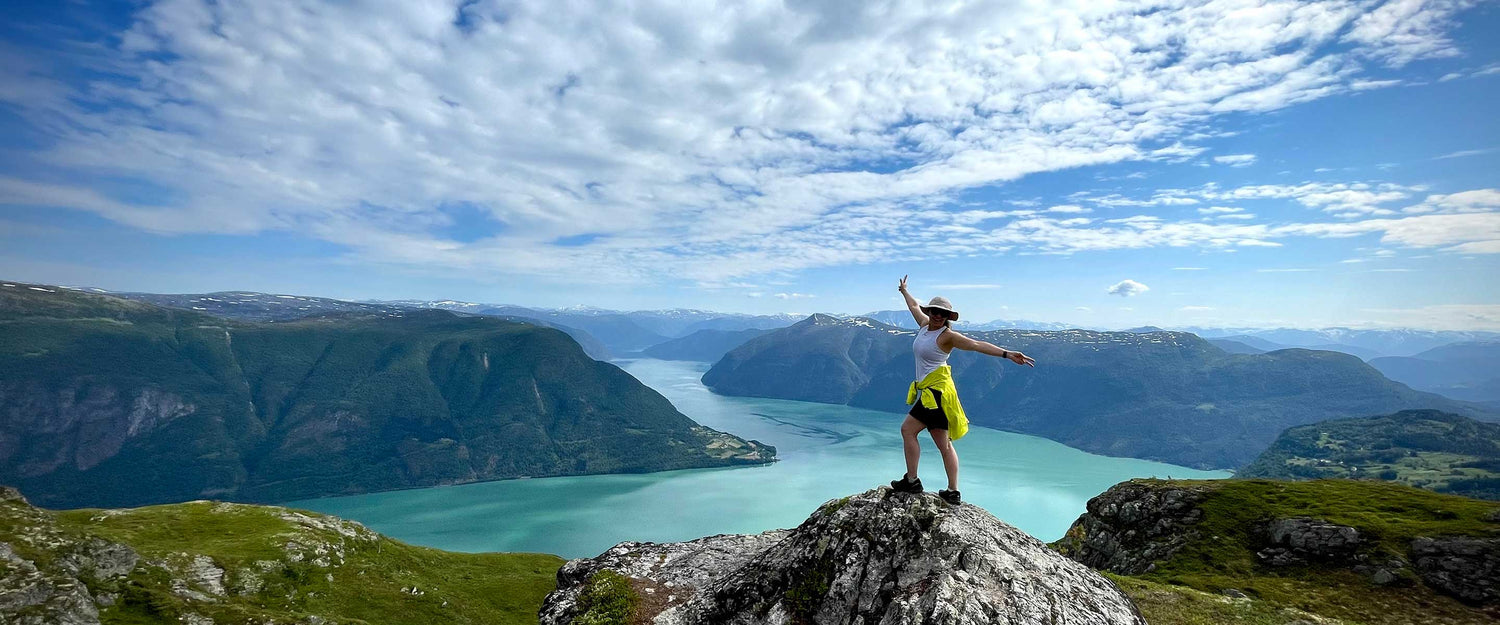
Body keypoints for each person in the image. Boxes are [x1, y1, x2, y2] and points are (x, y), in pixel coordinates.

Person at [891, 275, 1035, 505]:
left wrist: (1007, 354)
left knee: (909, 430)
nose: (938, 316)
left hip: (935, 394)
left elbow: (976, 345)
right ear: (930, 311)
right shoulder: (924, 325)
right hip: (935, 392)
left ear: (948, 317)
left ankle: (912, 481)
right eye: (935, 311)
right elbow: (914, 307)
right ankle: (952, 491)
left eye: (943, 313)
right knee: (943, 443)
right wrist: (904, 291)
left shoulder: (948, 336)